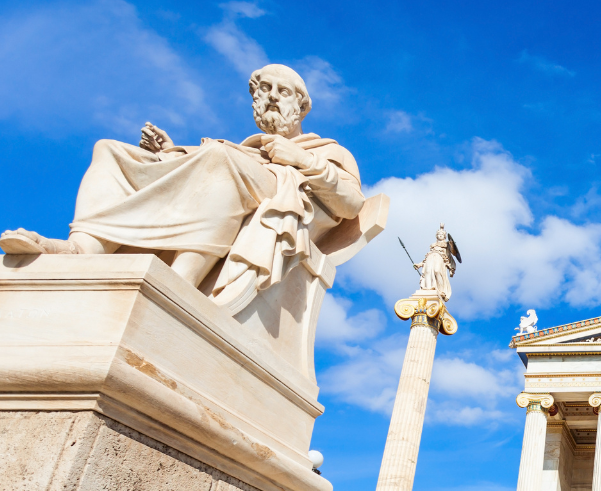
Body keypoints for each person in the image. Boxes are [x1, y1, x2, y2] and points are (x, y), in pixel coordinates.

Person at [2, 64, 366, 309]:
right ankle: (81, 248)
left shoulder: (326, 150)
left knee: (220, 160)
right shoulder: (243, 148)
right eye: (264, 88)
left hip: (278, 193)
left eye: (282, 91)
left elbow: (350, 204)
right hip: (231, 166)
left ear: (300, 106)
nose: (271, 96)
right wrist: (169, 153)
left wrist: (302, 161)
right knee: (109, 151)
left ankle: (179, 283)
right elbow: (202, 166)